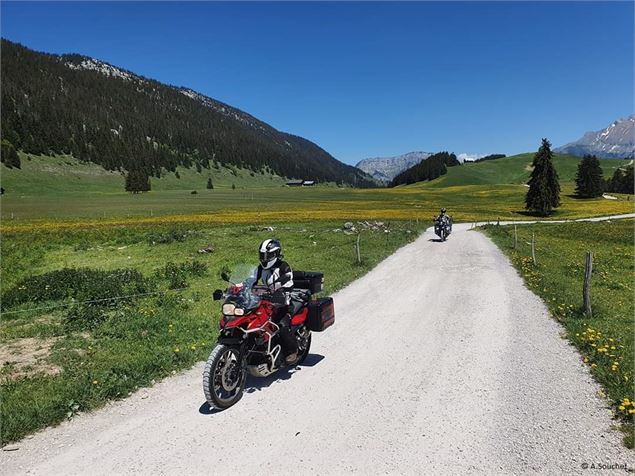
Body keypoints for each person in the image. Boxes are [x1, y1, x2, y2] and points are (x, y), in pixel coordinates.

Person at [255, 238, 299, 364]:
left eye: (267, 255)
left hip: (282, 303)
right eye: (262, 255)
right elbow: (251, 280)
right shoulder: (260, 268)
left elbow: (289, 283)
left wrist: (279, 290)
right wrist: (238, 287)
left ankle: (292, 351)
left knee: (281, 325)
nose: (264, 258)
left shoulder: (284, 267)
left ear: (275, 254)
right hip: (266, 303)